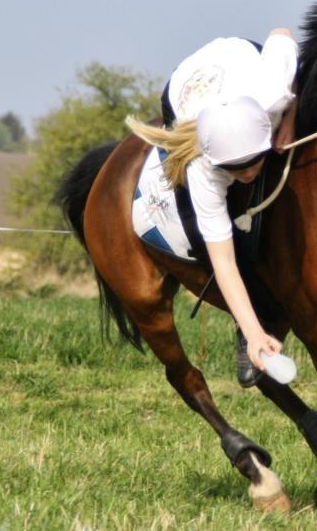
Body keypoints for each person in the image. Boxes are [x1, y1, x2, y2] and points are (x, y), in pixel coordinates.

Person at [127, 28, 299, 387]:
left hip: (241, 58)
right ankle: (247, 315)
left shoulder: (273, 91)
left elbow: (282, 34)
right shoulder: (202, 167)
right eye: (235, 168)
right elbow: (223, 261)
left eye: (255, 161)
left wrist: (291, 117)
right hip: (184, 88)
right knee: (205, 230)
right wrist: (253, 333)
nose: (249, 173)